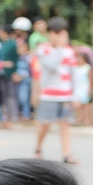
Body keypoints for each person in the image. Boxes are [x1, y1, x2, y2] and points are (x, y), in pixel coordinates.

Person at [35, 18, 78, 163]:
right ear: (50, 34)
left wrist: (76, 94)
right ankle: (38, 148)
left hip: (66, 95)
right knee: (45, 123)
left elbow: (74, 74)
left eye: (62, 33)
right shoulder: (43, 49)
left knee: (65, 124)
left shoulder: (69, 51)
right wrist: (59, 48)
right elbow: (52, 65)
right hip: (48, 95)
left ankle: (67, 154)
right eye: (56, 33)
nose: (59, 37)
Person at [0, 25, 20, 124]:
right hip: (2, 72)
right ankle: (7, 113)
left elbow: (16, 59)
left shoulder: (13, 43)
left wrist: (15, 72)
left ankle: (14, 114)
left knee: (12, 94)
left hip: (11, 72)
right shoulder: (2, 43)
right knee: (4, 94)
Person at [73, 47, 93, 125]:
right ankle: (80, 117)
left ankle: (87, 118)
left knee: (86, 105)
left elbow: (90, 79)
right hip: (78, 88)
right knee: (78, 105)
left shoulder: (87, 67)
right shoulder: (76, 67)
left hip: (85, 87)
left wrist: (90, 90)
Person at [14, 42, 32, 121]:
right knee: (19, 98)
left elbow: (30, 70)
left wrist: (21, 76)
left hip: (26, 80)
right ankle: (21, 114)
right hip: (18, 81)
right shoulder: (17, 58)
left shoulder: (28, 58)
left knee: (24, 99)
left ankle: (26, 114)